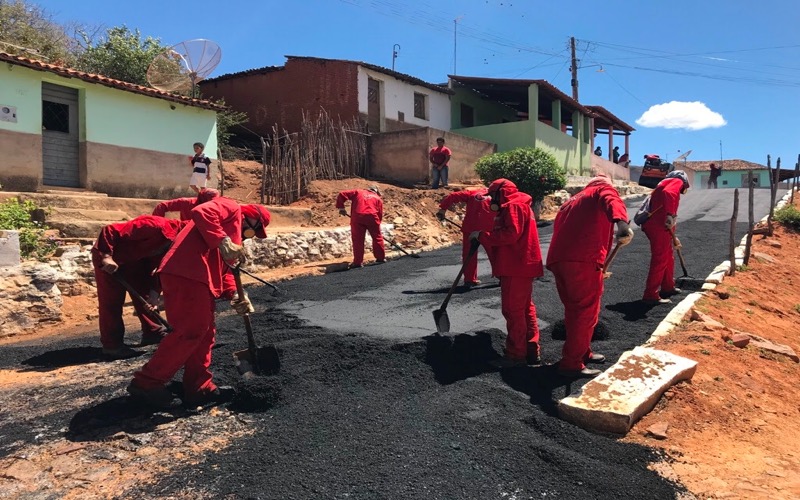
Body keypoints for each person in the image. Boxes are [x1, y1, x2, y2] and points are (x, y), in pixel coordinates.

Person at [127, 197, 271, 408]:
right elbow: (202, 211)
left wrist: (236, 295)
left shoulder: (229, 238)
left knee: (205, 333)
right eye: (252, 231)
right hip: (187, 272)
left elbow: (226, 270)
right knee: (190, 331)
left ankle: (198, 387)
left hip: (197, 278)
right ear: (249, 218)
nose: (248, 237)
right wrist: (222, 240)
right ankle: (147, 383)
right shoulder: (230, 207)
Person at [546, 174, 633, 378]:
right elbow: (612, 200)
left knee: (575, 309)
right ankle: (572, 363)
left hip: (559, 260)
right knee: (585, 310)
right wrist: (622, 224)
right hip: (583, 259)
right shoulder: (602, 189)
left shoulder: (571, 201)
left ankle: (583, 351)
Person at [92, 215, 188, 359]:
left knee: (146, 297)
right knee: (111, 303)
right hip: (111, 260)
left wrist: (155, 294)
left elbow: (159, 268)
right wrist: (106, 256)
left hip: (137, 263)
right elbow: (109, 230)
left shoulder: (176, 245)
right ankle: (112, 346)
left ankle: (153, 332)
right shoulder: (156, 226)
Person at [470, 179, 543, 367]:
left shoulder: (513, 206)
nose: (491, 200)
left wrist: (482, 235)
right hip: (522, 264)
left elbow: (511, 234)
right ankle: (530, 350)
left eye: (492, 195)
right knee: (525, 309)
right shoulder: (519, 204)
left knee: (513, 310)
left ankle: (516, 355)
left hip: (516, 265)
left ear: (500, 193)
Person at [641, 170, 690, 305]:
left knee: (668, 256)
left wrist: (673, 234)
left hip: (659, 226)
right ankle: (650, 294)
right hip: (658, 227)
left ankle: (668, 287)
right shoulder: (676, 181)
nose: (682, 190)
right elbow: (669, 194)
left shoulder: (664, 183)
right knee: (660, 258)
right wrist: (670, 214)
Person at [436, 187, 495, 287]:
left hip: (470, 227)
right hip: (488, 228)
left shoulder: (473, 192)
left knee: (469, 254)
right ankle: (502, 276)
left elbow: (453, 196)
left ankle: (469, 279)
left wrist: (443, 209)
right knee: (495, 253)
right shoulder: (498, 195)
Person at [336, 186, 385, 268]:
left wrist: (341, 207)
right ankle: (380, 258)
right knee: (377, 238)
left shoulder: (358, 192)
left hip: (358, 217)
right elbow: (379, 214)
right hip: (372, 217)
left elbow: (342, 194)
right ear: (376, 192)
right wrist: (376, 225)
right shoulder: (378, 198)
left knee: (358, 240)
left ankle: (358, 263)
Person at [152, 189, 220, 221]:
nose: (213, 203)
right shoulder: (186, 203)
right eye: (211, 200)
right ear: (203, 198)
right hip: (184, 234)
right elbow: (162, 206)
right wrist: (159, 224)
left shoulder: (217, 208)